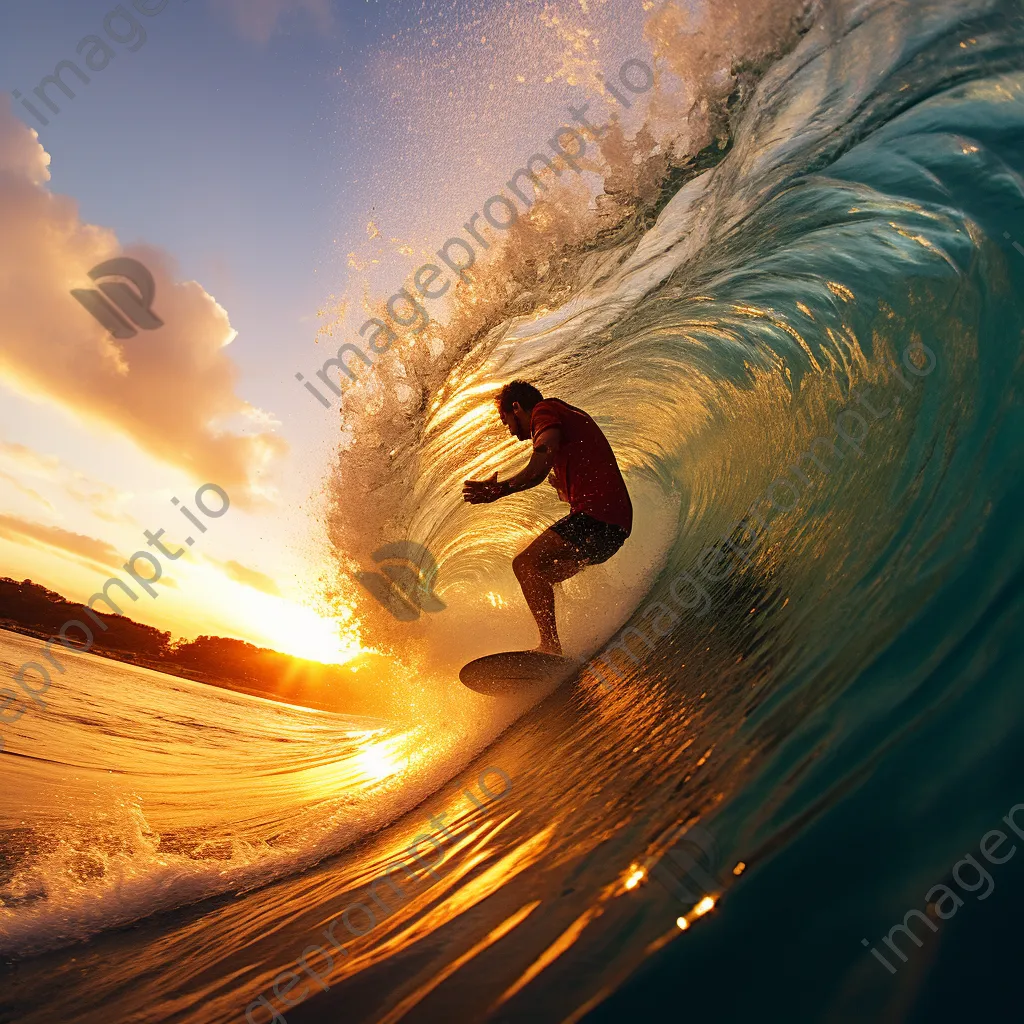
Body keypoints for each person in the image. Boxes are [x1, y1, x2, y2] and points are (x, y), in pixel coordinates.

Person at [462, 380, 632, 655]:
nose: (508, 429)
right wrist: (564, 489)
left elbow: (540, 459)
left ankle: (550, 646)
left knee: (524, 564)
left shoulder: (544, 410)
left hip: (598, 519)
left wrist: (500, 489)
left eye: (505, 420)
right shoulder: (569, 420)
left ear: (516, 408)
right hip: (614, 530)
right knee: (541, 575)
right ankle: (574, 641)